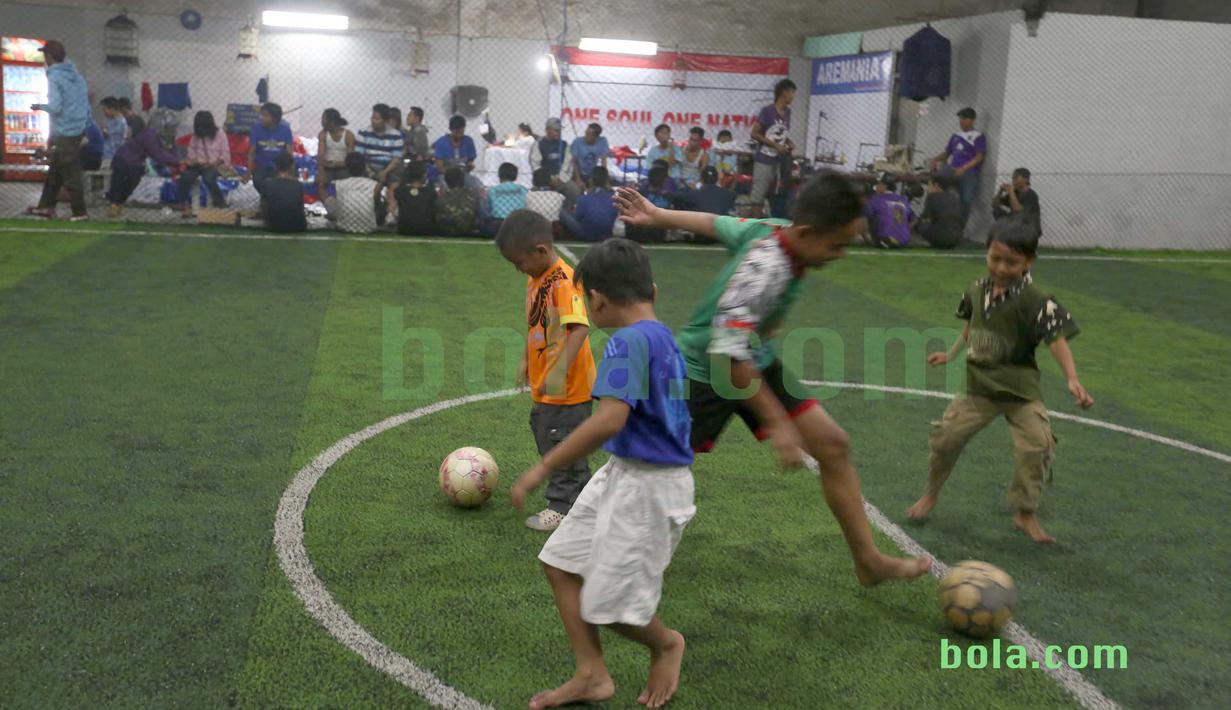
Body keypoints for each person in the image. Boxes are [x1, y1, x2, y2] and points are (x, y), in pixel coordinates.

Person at [614, 172, 932, 587]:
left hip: (751, 358)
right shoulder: (765, 269)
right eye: (837, 244)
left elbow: (716, 223)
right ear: (806, 232)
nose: (841, 254)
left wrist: (657, 214)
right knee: (649, 464)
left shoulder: (774, 230)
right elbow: (727, 357)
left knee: (833, 445)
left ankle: (869, 561)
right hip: (704, 370)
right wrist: (778, 423)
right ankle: (600, 539)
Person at [509, 237, 693, 710]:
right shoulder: (661, 334)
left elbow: (609, 420)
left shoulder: (625, 343)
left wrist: (542, 467)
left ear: (597, 302)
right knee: (560, 563)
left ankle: (666, 642)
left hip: (650, 487)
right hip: (624, 472)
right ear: (652, 288)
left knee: (609, 606)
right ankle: (591, 674)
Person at [906, 216, 1093, 544]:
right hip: (979, 386)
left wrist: (1072, 378)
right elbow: (973, 325)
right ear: (986, 252)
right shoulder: (976, 289)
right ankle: (930, 493)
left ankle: (1025, 512)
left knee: (1037, 445)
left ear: (1028, 261)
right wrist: (949, 354)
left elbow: (1056, 340)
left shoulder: (1038, 300)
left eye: (1012, 261)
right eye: (995, 258)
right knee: (946, 439)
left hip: (1020, 389)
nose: (1001, 267)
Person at [496, 210, 598, 531]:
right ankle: (587, 497)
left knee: (561, 444)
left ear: (540, 251)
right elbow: (536, 324)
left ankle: (562, 507)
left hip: (568, 389)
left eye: (519, 262)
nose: (518, 269)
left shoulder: (564, 281)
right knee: (546, 434)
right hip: (548, 385)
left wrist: (558, 371)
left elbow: (580, 328)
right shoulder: (535, 278)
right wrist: (528, 359)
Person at [26, 40, 90, 221]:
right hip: (77, 129)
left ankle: (80, 212)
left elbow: (55, 107)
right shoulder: (77, 76)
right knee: (56, 171)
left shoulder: (54, 76)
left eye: (45, 55)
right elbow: (85, 105)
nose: (44, 59)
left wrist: (39, 106)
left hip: (64, 131)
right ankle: (45, 207)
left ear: (50, 57)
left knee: (71, 174)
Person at [105, 110, 184, 217]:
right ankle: (114, 205)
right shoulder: (149, 134)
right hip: (123, 158)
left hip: (137, 162)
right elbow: (158, 155)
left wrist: (180, 160)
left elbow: (173, 152)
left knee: (132, 184)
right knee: (119, 182)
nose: (172, 130)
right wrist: (179, 161)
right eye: (170, 127)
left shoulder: (165, 136)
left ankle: (118, 204)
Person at [930, 107, 987, 227]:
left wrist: (964, 168)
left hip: (969, 172)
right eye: (960, 119)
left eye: (964, 119)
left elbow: (979, 157)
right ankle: (936, 221)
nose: (961, 122)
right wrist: (935, 159)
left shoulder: (978, 136)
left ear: (972, 120)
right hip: (953, 169)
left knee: (966, 200)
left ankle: (960, 228)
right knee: (936, 183)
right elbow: (947, 153)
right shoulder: (956, 135)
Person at [749, 78, 796, 217]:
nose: (793, 96)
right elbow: (755, 133)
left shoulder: (788, 113)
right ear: (784, 92)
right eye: (792, 93)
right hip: (764, 159)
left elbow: (780, 132)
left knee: (776, 195)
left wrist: (789, 141)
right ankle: (752, 228)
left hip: (778, 160)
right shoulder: (767, 111)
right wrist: (775, 145)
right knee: (758, 197)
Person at [179, 110, 230, 217]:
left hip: (215, 165)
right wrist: (194, 162)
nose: (201, 130)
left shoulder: (220, 134)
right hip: (198, 165)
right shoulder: (196, 136)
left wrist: (212, 164)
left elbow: (225, 155)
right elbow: (191, 153)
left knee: (209, 178)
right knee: (186, 177)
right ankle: (183, 204)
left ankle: (220, 203)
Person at [325, 152, 381, 234]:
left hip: (344, 227)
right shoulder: (375, 185)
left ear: (347, 168)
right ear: (364, 167)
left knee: (332, 199)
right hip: (369, 227)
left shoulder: (338, 184)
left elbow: (322, 189)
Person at [245, 102, 293, 196]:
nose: (261, 118)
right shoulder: (256, 128)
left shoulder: (285, 129)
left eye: (265, 115)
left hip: (279, 166)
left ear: (275, 118)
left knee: (280, 183)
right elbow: (252, 152)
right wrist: (248, 172)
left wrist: (290, 171)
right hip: (261, 165)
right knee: (257, 180)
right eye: (261, 114)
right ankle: (266, 200)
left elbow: (289, 152)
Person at [562, 166, 618, 242]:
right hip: (607, 235)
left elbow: (577, 218)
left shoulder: (584, 198)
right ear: (606, 181)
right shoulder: (614, 198)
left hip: (586, 235)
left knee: (562, 213)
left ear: (591, 181)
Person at [529, 117, 578, 204]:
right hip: (543, 180)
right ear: (547, 130)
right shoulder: (538, 144)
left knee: (575, 191)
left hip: (561, 179)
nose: (558, 133)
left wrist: (559, 178)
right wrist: (549, 178)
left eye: (559, 130)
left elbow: (567, 165)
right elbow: (535, 165)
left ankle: (566, 211)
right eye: (555, 130)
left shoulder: (565, 145)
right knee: (533, 193)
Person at [356, 103, 405, 187]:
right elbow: (359, 155)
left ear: (385, 121)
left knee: (398, 168)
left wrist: (385, 172)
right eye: (372, 118)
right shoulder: (364, 132)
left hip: (389, 168)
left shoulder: (396, 135)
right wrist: (370, 172)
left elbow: (396, 159)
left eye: (377, 119)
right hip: (368, 166)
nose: (373, 121)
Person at [864, 174, 916, 248]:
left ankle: (869, 240)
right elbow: (914, 220)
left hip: (884, 240)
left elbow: (863, 218)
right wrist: (902, 231)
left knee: (866, 215)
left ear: (884, 186)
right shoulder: (903, 199)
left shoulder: (876, 200)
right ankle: (899, 236)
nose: (876, 187)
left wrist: (866, 239)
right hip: (903, 241)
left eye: (878, 184)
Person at [263, 152, 307, 233]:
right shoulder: (298, 185)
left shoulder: (268, 184)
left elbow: (264, 207)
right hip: (298, 225)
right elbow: (301, 208)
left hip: (273, 226)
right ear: (292, 166)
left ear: (276, 166)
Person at [917, 175, 964, 249]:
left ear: (936, 185)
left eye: (929, 185)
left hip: (939, 238)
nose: (928, 189)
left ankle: (933, 239)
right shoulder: (956, 197)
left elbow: (924, 217)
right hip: (956, 239)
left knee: (922, 223)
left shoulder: (932, 197)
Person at [482, 162, 529, 237]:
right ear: (515, 176)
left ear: (499, 175)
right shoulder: (524, 190)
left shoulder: (492, 190)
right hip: (518, 224)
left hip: (497, 225)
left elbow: (486, 211)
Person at [993, 167, 1041, 236]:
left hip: (1028, 226)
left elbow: (1018, 211)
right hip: (1015, 222)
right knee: (997, 211)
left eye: (1016, 178)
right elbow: (995, 204)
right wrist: (1000, 191)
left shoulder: (1031, 195)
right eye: (1013, 178)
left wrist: (1011, 192)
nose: (1013, 181)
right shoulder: (1015, 192)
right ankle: (1006, 233)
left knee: (1018, 217)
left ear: (1026, 179)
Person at [392, 161, 436, 236]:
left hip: (404, 229)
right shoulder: (431, 192)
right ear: (423, 175)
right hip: (427, 229)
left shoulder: (400, 190)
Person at [435, 166, 481, 236]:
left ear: (447, 181)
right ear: (463, 180)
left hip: (445, 230)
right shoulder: (473, 194)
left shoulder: (442, 197)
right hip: (469, 230)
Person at [316, 108, 355, 188]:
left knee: (346, 185)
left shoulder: (348, 135)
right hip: (327, 168)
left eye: (323, 119)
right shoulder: (323, 135)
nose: (321, 122)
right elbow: (320, 156)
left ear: (331, 122)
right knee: (319, 182)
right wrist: (321, 172)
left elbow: (350, 159)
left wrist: (337, 164)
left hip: (344, 168)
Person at [432, 115, 478, 182]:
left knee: (478, 186)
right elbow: (440, 167)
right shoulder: (441, 142)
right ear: (450, 129)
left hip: (463, 175)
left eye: (461, 128)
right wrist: (453, 177)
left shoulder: (468, 141)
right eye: (456, 129)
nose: (459, 131)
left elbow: (470, 161)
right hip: (445, 176)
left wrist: (470, 166)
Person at [569, 122, 609, 190]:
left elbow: (604, 162)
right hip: (579, 173)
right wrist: (578, 180)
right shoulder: (577, 142)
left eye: (589, 134)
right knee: (577, 190)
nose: (586, 136)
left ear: (596, 137)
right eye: (586, 133)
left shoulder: (602, 141)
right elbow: (573, 163)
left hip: (594, 174)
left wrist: (605, 181)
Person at [99, 97, 128, 161]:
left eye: (104, 110)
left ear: (112, 109)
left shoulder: (121, 123)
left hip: (113, 156)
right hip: (105, 153)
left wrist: (105, 132)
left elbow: (118, 140)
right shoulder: (110, 120)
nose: (103, 112)